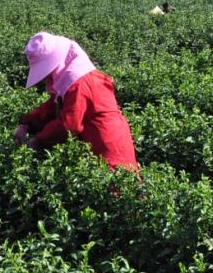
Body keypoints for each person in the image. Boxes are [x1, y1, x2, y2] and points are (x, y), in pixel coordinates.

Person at [14, 32, 139, 172]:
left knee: (118, 185)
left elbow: (68, 124)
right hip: (93, 143)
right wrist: (26, 123)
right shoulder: (71, 81)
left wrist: (38, 140)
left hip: (108, 144)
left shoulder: (79, 83)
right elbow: (53, 106)